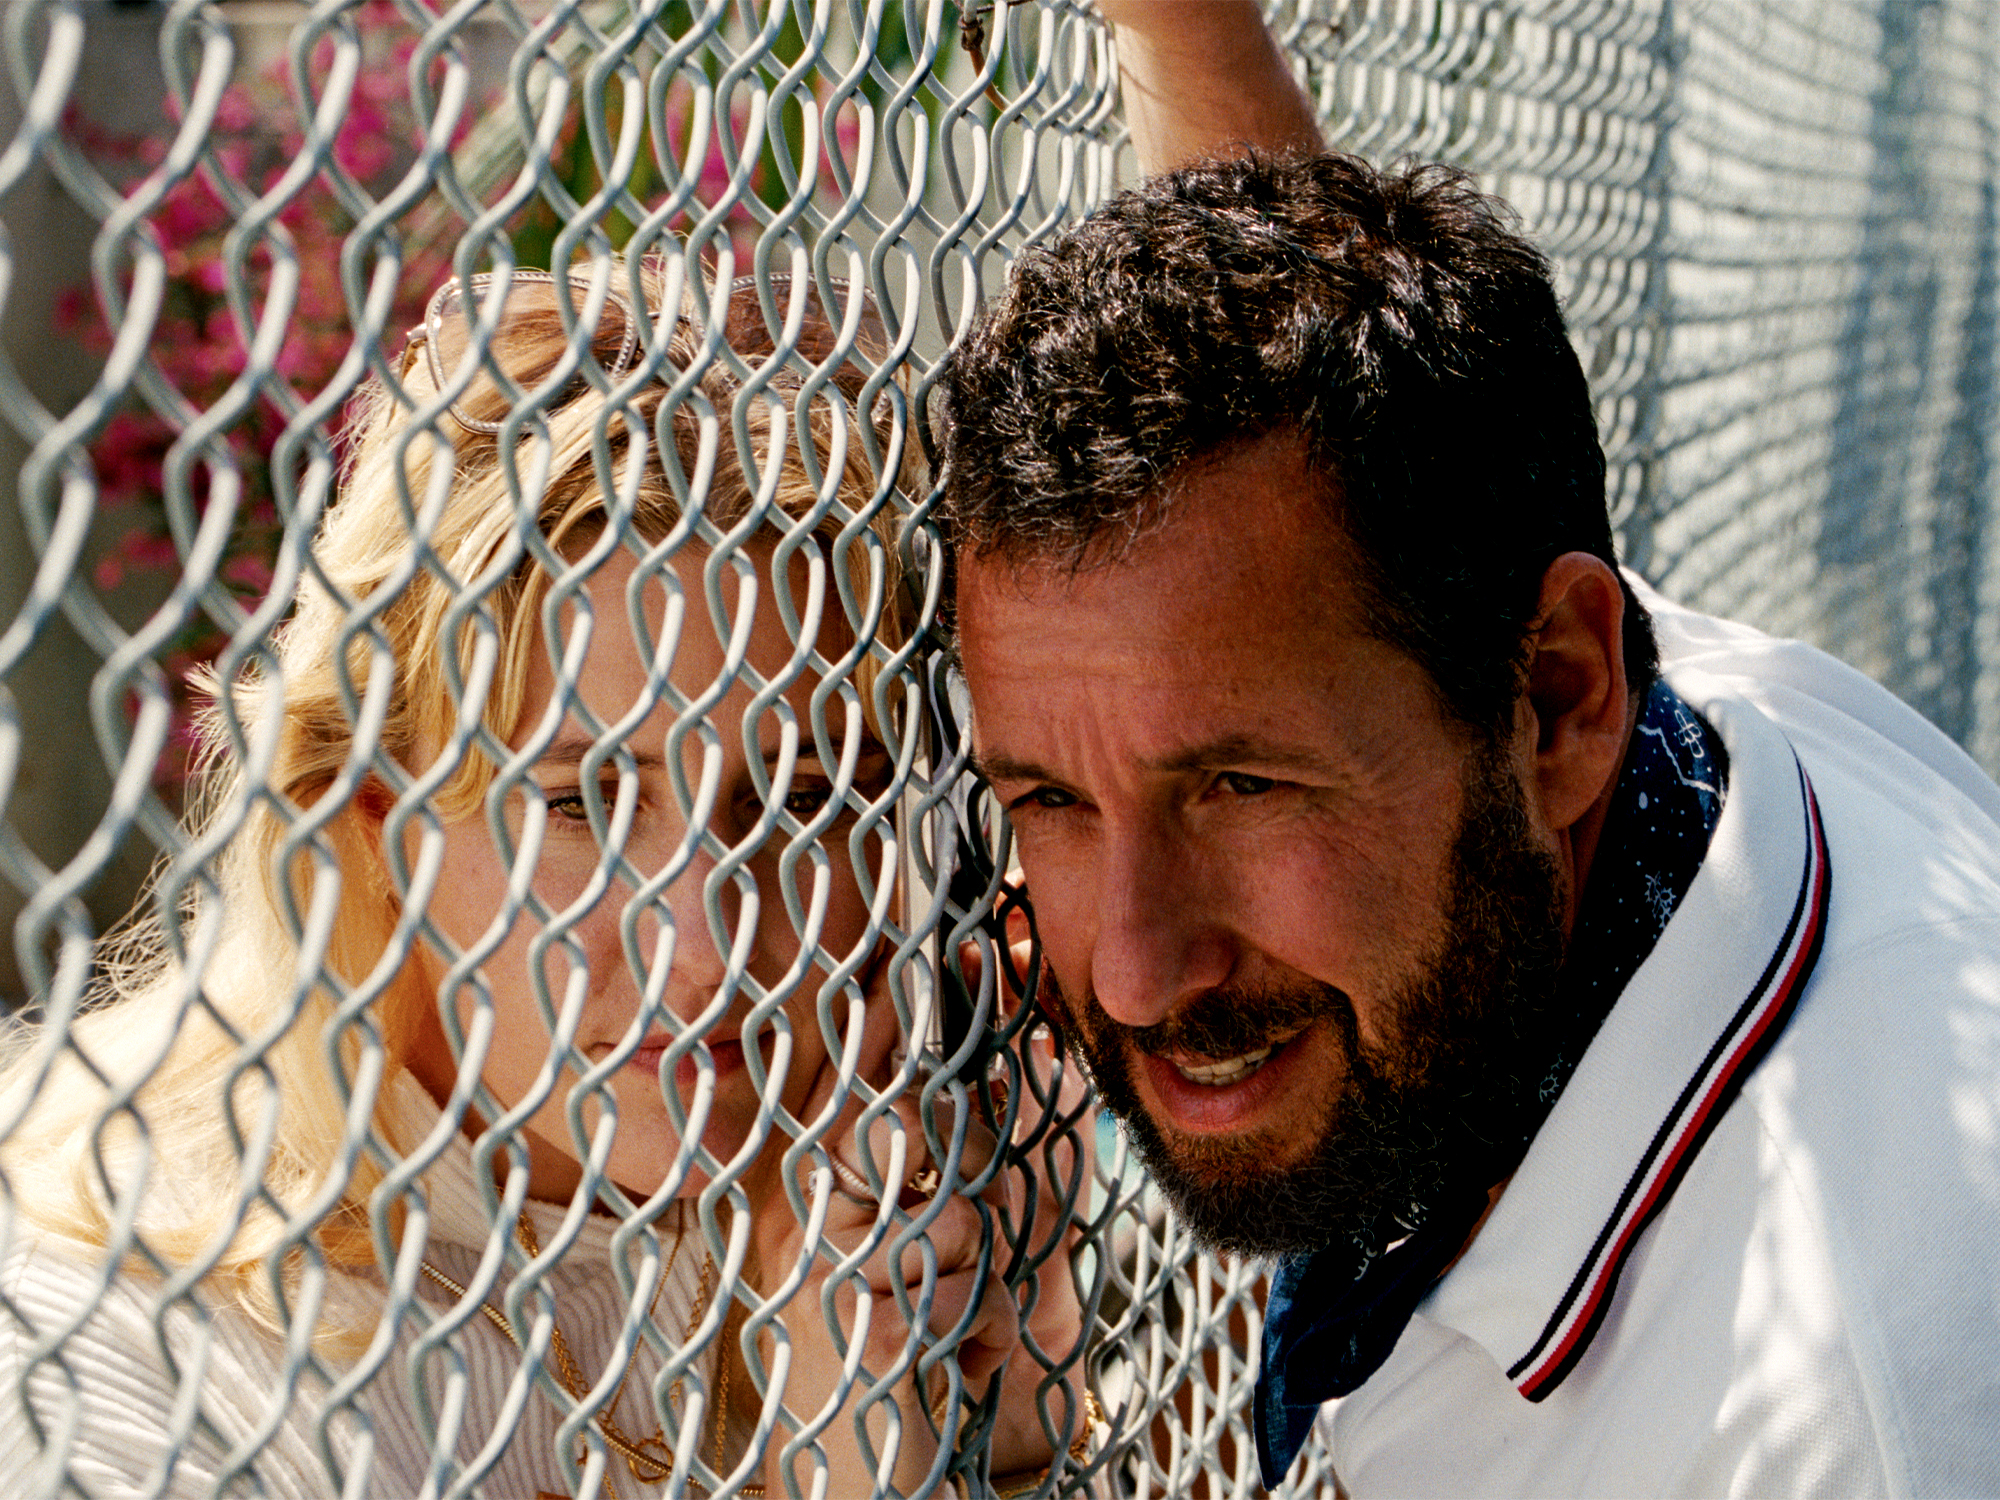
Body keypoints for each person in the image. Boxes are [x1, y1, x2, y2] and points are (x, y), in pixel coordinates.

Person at [937, 148, 2000, 1497]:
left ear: (1560, 698)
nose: (1137, 970)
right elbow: (1347, 450)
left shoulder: (1830, 1429)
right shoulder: (1671, 745)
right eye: (1051, 801)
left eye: (1244, 789)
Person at [0, 256, 1093, 1499]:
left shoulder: (851, 1212)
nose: (709, 945)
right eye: (580, 805)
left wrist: (1012, 1420)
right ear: (372, 815)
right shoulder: (114, 1348)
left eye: (795, 799)